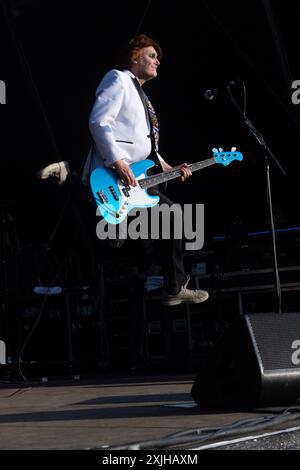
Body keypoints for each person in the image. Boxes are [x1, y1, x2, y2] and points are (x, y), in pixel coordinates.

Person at [37, 34, 209, 306]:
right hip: (117, 174)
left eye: (158, 58)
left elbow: (146, 147)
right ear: (135, 57)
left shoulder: (143, 97)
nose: (157, 62)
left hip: (137, 179)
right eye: (152, 56)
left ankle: (172, 286)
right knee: (113, 241)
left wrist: (171, 168)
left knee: (169, 221)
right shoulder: (118, 79)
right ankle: (71, 175)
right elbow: (98, 122)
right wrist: (118, 162)